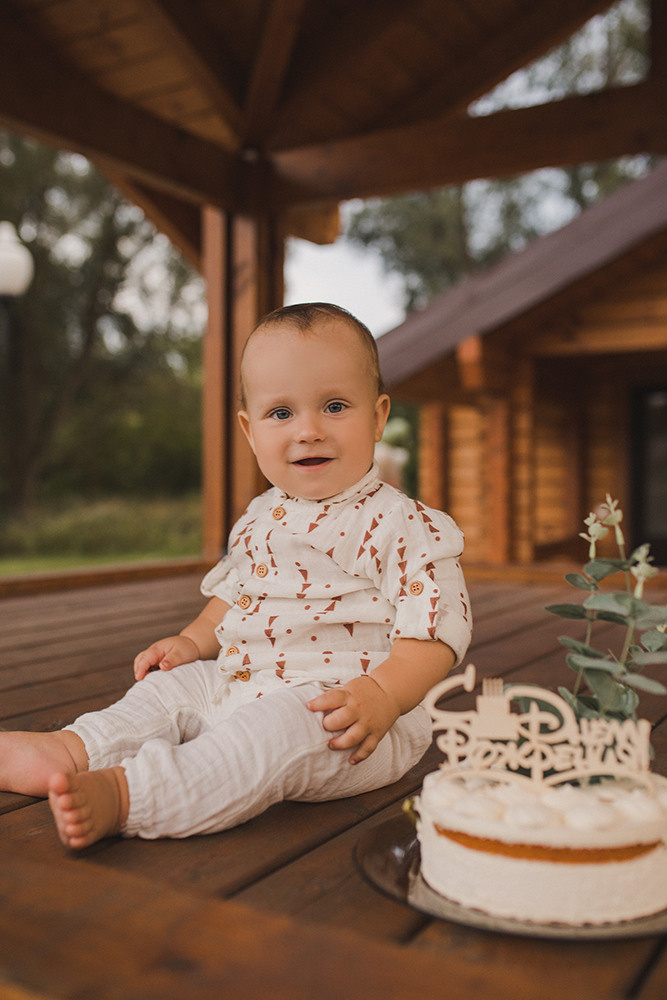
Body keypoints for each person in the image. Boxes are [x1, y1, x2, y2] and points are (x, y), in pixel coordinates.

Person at [0, 303, 471, 849]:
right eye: (281, 414)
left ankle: (134, 795)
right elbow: (234, 594)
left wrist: (383, 695)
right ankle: (74, 749)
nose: (309, 430)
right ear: (250, 431)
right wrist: (191, 640)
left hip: (349, 715)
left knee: (268, 739)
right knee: (171, 690)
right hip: (239, 682)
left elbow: (433, 634)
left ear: (378, 415)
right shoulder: (261, 517)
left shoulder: (403, 524)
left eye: (335, 406)